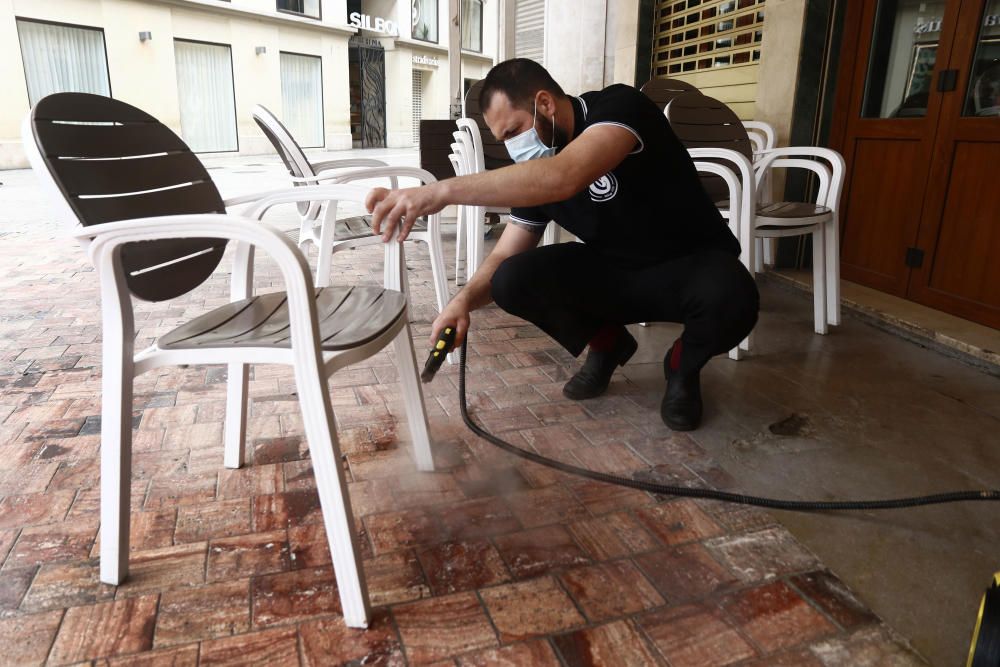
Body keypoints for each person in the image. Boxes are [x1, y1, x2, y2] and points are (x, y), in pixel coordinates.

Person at [365, 59, 759, 431]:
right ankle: (607, 344)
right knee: (510, 278)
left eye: (514, 131)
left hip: (687, 267)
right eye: (503, 140)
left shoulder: (620, 107)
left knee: (734, 294)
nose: (512, 148)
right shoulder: (539, 170)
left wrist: (440, 192)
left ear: (544, 104)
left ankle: (681, 367)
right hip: (617, 272)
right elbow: (505, 251)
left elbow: (565, 176)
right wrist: (461, 302)